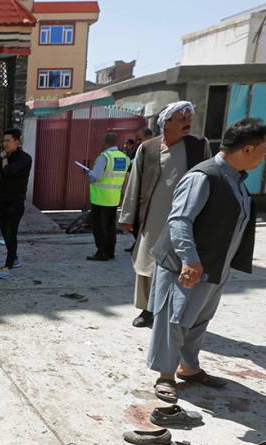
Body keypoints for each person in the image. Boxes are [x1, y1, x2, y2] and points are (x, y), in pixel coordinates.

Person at [146, 118, 266, 405]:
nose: (265, 157)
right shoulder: (204, 176)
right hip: (186, 266)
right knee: (174, 319)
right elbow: (179, 220)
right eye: (263, 150)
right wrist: (190, 261)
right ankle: (165, 375)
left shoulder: (235, 178)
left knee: (199, 319)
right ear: (248, 149)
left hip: (215, 265)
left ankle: (188, 367)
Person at [120, 101, 211, 329]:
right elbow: (135, 184)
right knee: (147, 262)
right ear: (166, 122)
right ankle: (147, 310)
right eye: (181, 119)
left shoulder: (199, 146)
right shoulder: (148, 148)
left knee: (181, 263)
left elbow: (210, 179)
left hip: (187, 217)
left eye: (189, 118)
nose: (187, 123)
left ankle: (173, 310)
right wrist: (127, 217)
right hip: (152, 216)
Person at [83, 132, 130, 261]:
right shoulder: (123, 157)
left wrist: (88, 173)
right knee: (110, 227)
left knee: (99, 227)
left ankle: (101, 253)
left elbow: (96, 177)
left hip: (101, 198)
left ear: (104, 143)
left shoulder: (104, 157)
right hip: (114, 198)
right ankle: (110, 251)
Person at [0, 128, 33, 279]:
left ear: (17, 142)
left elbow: (8, 172)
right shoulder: (5, 156)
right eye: (3, 140)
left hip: (16, 201)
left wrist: (3, 159)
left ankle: (7, 265)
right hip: (2, 199)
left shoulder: (24, 158)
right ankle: (14, 257)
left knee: (12, 231)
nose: (4, 143)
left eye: (8, 141)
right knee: (5, 231)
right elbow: (3, 175)